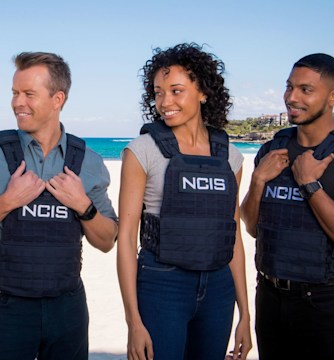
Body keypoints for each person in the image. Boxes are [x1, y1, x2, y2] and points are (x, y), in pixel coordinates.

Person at [0, 51, 118, 360]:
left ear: (58, 99)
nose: (17, 102)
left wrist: (84, 206)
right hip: (6, 307)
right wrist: (6, 202)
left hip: (67, 307)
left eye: (29, 94)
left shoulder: (89, 162)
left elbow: (107, 240)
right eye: (15, 93)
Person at [240, 53, 334, 360]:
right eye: (289, 87)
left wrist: (310, 186)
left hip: (325, 302)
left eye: (305, 90)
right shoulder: (273, 149)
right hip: (269, 297)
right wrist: (258, 181)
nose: (291, 98)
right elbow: (253, 227)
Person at [117, 43, 252, 360]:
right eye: (159, 92)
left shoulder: (229, 157)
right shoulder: (143, 151)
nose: (165, 102)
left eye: (176, 91)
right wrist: (133, 321)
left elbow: (233, 238)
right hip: (162, 284)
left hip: (219, 289)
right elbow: (125, 238)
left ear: (203, 91)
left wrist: (245, 314)